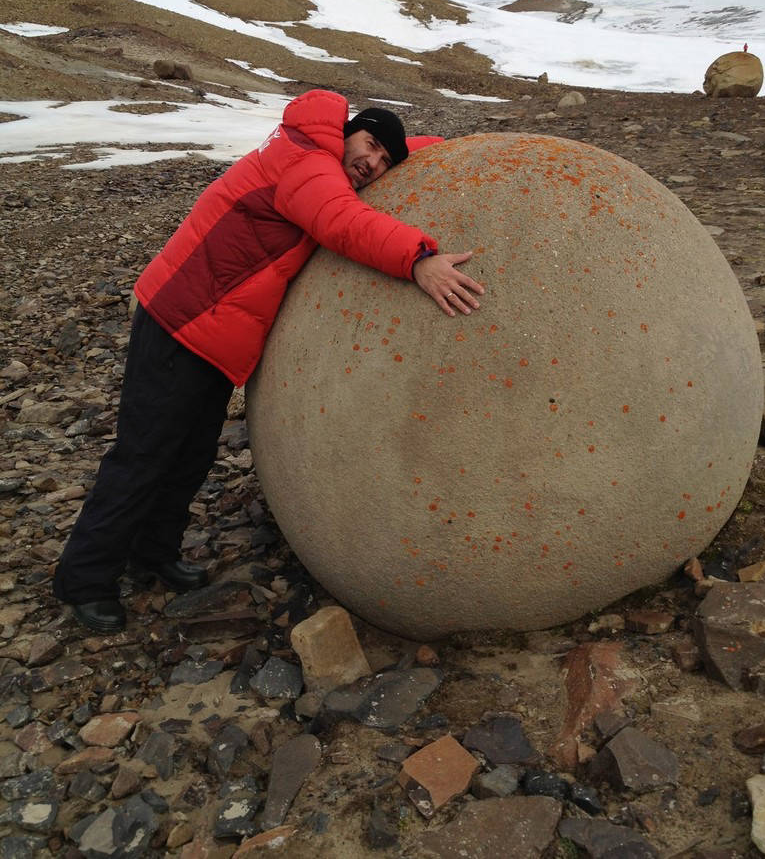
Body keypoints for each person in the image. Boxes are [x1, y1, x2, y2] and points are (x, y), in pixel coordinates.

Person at [53, 89, 484, 632]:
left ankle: (153, 553)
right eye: (370, 145)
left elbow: (390, 151)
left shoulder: (316, 152)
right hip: (181, 321)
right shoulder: (306, 162)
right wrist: (418, 259)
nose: (371, 164)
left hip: (215, 332)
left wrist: (441, 150)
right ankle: (85, 580)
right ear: (346, 132)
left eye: (384, 161)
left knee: (189, 455)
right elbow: (339, 219)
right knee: (144, 454)